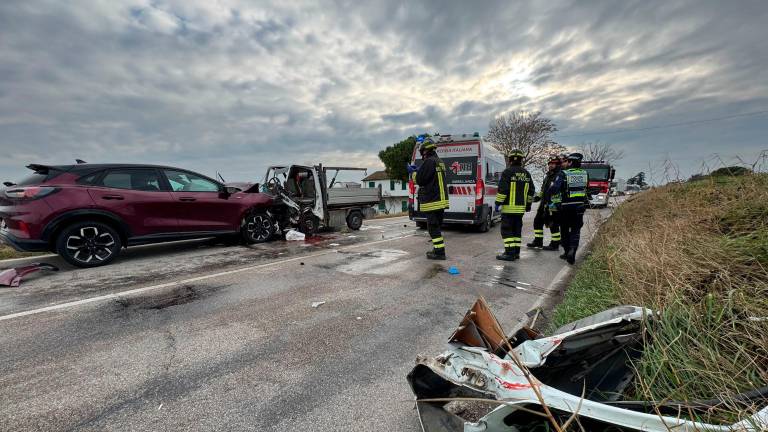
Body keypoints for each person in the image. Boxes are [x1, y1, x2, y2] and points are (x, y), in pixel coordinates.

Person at [409, 138, 449, 260]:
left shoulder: (429, 162)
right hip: (441, 201)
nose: (422, 155)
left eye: (422, 152)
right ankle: (438, 249)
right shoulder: (439, 162)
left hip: (432, 201)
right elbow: (432, 178)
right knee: (437, 227)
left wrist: (413, 173)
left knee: (433, 228)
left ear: (426, 151)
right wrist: (419, 171)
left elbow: (420, 180)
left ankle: (439, 252)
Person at [548, 152, 589, 264]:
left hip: (565, 207)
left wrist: (550, 190)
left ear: (570, 162)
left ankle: (566, 252)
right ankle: (572, 251)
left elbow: (554, 189)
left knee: (565, 230)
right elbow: (586, 189)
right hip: (579, 206)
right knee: (576, 230)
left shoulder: (564, 173)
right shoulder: (585, 174)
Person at [494, 149, 535, 261]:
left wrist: (498, 203)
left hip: (508, 209)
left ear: (510, 159)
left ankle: (509, 253)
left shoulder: (507, 172)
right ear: (521, 160)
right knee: (517, 231)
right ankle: (516, 252)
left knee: (507, 231)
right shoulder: (526, 173)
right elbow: (531, 191)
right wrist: (528, 205)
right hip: (520, 210)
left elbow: (503, 190)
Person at [527, 155, 562, 250]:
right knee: (537, 221)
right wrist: (538, 197)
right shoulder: (548, 176)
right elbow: (543, 189)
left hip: (553, 204)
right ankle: (538, 241)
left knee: (553, 224)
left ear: (558, 164)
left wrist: (550, 200)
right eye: (549, 164)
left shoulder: (560, 175)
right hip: (544, 203)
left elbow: (556, 190)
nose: (550, 165)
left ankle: (555, 244)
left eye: (553, 164)